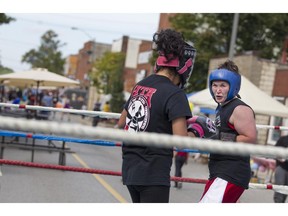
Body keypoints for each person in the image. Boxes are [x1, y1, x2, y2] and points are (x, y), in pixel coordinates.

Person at [117, 28, 196, 203]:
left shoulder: (140, 85)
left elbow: (122, 122)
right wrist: (197, 130)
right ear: (184, 67)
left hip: (130, 168)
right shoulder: (175, 94)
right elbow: (181, 141)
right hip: (153, 171)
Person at [198, 59, 257, 203]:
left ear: (233, 87)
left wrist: (221, 138)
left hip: (230, 173)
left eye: (223, 85)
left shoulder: (240, 109)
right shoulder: (221, 108)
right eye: (215, 85)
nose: (218, 89)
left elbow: (250, 138)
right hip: (220, 172)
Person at [273, 135, 288, 203]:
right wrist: (280, 158)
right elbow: (274, 151)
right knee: (279, 190)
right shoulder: (283, 139)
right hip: (281, 167)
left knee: (285, 192)